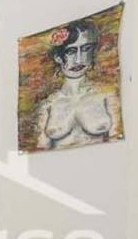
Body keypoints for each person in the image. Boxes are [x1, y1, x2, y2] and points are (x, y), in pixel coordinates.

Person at [36, 20, 120, 150]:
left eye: (85, 49)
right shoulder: (49, 104)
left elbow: (118, 143)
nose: (79, 59)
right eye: (71, 51)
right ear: (58, 57)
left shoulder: (107, 96)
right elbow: (40, 150)